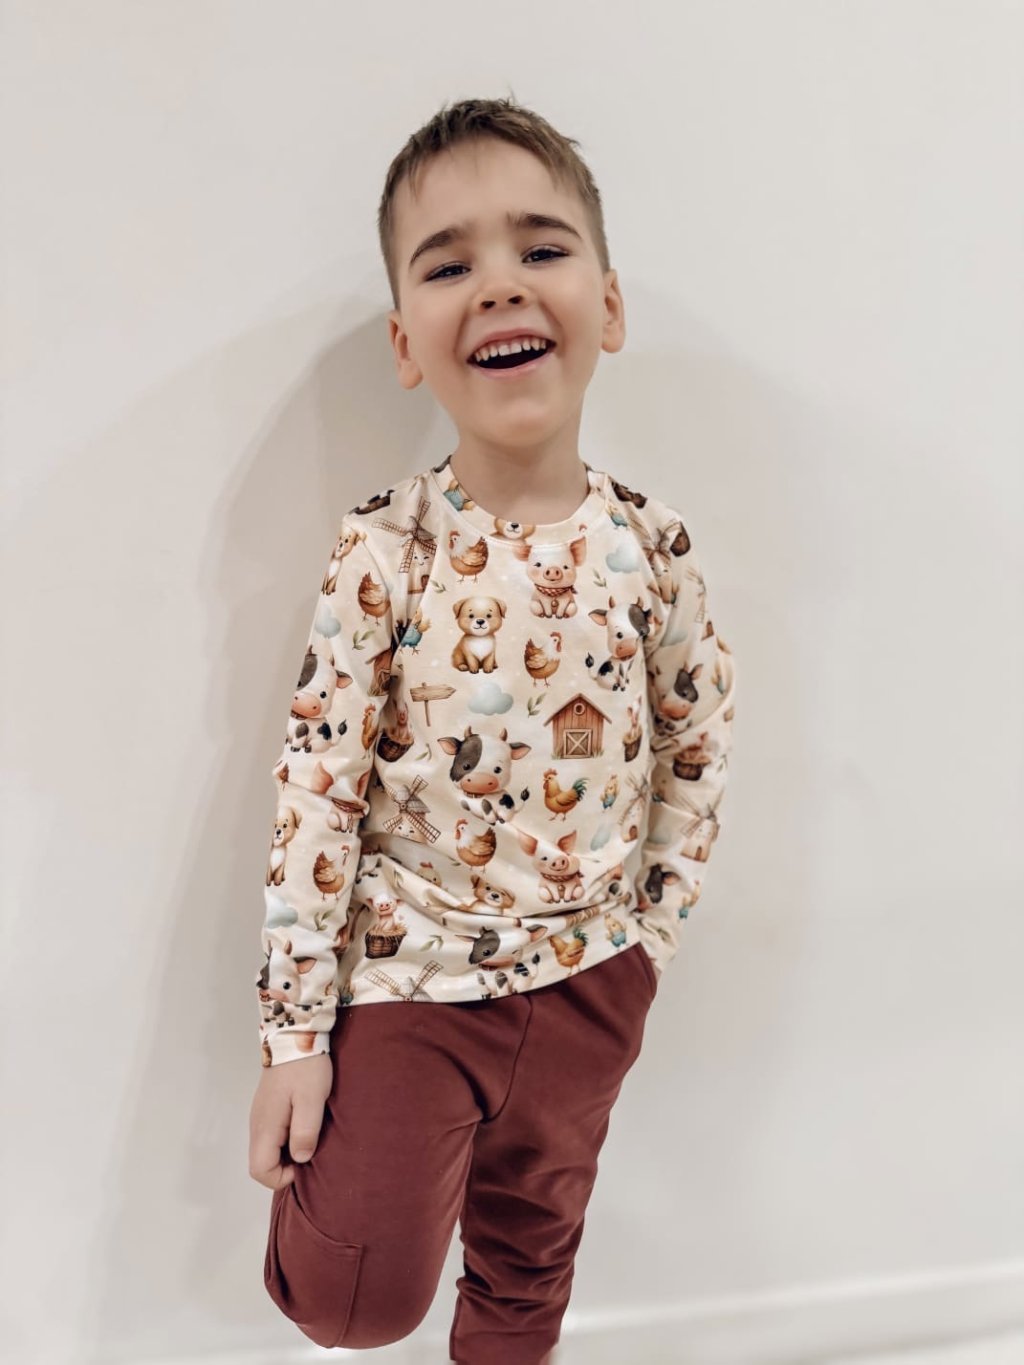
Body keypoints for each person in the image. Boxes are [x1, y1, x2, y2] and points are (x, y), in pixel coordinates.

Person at [249, 94, 737, 1364]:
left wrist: (648, 942)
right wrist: (295, 1037)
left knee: (529, 1269)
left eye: (541, 246)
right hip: (415, 985)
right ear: (406, 343)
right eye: (448, 264)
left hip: (591, 982)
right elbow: (318, 787)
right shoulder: (386, 550)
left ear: (608, 308)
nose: (501, 285)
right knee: (353, 1302)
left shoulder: (652, 549)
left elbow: (695, 746)